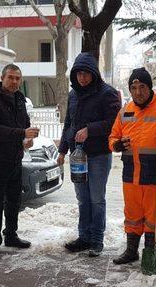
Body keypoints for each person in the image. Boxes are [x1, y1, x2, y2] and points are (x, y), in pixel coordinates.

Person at [109, 68, 156, 264]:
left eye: (142, 87)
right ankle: (131, 250)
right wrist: (116, 144)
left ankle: (151, 252)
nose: (137, 92)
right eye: (133, 87)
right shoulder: (125, 111)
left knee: (154, 216)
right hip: (131, 173)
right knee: (132, 214)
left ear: (149, 87)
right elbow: (113, 137)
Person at [58, 52, 122, 257]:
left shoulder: (107, 93)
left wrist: (89, 129)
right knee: (82, 198)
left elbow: (113, 123)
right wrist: (62, 150)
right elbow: (69, 123)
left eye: (86, 73)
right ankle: (83, 237)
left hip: (98, 155)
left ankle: (96, 240)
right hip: (77, 156)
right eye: (79, 74)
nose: (82, 78)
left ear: (94, 73)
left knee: (96, 198)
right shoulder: (73, 95)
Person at [0, 64, 38, 259]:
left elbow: (24, 122)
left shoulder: (19, 98)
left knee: (14, 200)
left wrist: (26, 138)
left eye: (17, 78)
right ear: (2, 78)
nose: (14, 82)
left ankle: (11, 235)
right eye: (11, 78)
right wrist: (22, 133)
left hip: (15, 156)